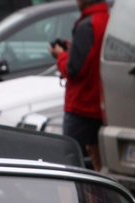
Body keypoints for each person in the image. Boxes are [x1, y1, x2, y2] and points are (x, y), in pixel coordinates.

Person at [48, 0, 109, 170]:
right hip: (101, 105)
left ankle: (74, 197)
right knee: (100, 164)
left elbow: (73, 69)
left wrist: (60, 56)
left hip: (82, 106)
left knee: (71, 163)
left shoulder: (86, 26)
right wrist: (73, 50)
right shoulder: (108, 20)